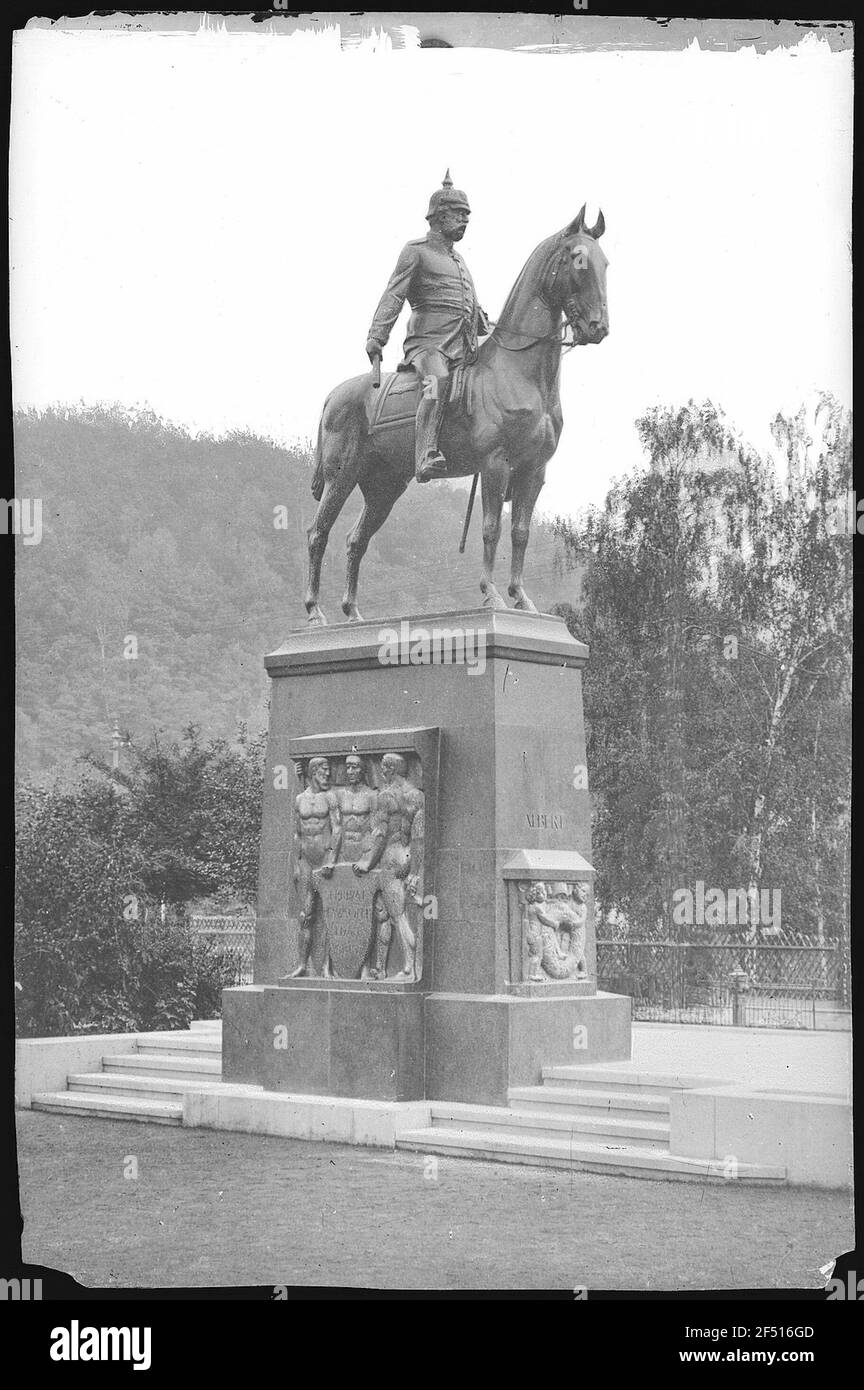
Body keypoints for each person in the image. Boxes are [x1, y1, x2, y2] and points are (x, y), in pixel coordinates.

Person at [365, 171, 491, 483]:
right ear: (438, 216)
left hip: (461, 346)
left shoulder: (460, 261)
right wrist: (377, 335)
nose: (465, 221)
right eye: (459, 214)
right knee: (438, 381)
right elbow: (394, 294)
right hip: (427, 345)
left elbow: (468, 305)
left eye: (467, 216)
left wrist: (482, 319)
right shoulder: (416, 250)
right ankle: (425, 452)